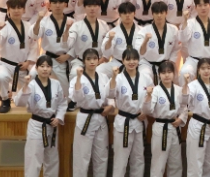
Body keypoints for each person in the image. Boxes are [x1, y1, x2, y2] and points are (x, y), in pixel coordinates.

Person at [14, 54, 67, 177]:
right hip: (37, 126)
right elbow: (19, 103)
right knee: (33, 160)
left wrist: (59, 118)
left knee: (52, 160)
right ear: (36, 68)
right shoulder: (31, 85)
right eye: (42, 66)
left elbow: (62, 103)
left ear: (51, 68)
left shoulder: (56, 84)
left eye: (48, 66)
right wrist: (25, 86)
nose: (45, 69)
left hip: (52, 125)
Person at [106, 48, 152, 177]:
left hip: (140, 121)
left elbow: (152, 96)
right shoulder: (118, 78)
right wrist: (113, 77)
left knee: (138, 159)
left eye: (134, 59)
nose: (132, 62)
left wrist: (146, 112)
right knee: (120, 160)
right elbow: (109, 94)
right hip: (123, 122)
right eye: (128, 59)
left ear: (139, 60)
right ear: (123, 61)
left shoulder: (146, 78)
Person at [69, 48, 114, 177]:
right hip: (85, 118)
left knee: (101, 157)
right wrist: (78, 78)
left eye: (94, 58)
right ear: (84, 61)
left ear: (98, 60)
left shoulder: (103, 77)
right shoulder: (78, 79)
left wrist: (110, 106)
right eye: (88, 59)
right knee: (81, 157)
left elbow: (110, 95)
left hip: (101, 118)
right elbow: (76, 98)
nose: (92, 62)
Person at [0, 0, 38, 113]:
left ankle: (17, 93)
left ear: (24, 10)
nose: (16, 10)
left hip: (23, 66)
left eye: (19, 8)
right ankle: (5, 99)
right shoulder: (4, 27)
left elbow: (33, 46)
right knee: (1, 77)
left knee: (29, 96)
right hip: (6, 64)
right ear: (8, 10)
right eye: (13, 8)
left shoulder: (29, 26)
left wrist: (28, 62)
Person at [142, 60, 188, 177]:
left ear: (174, 74)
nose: (166, 75)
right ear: (159, 75)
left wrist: (181, 119)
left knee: (176, 163)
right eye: (163, 72)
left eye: (169, 72)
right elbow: (148, 110)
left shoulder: (178, 89)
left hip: (175, 127)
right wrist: (148, 96)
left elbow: (184, 107)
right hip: (161, 127)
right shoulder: (155, 90)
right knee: (158, 163)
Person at [183, 58, 210, 177]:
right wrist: (185, 85)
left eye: (209, 68)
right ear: (198, 70)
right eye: (203, 68)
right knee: (195, 162)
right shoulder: (192, 86)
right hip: (198, 125)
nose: (206, 71)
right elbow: (184, 101)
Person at [31, 0, 75, 104]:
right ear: (49, 5)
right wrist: (38, 20)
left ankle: (67, 101)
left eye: (60, 2)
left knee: (67, 96)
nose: (57, 5)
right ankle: (40, 99)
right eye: (54, 3)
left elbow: (78, 44)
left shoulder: (72, 22)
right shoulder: (44, 21)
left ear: (65, 4)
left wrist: (68, 55)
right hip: (47, 57)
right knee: (33, 74)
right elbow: (35, 36)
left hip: (64, 59)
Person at [179, 0, 210, 85]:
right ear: (196, 7)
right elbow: (183, 39)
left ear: (209, 6)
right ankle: (185, 94)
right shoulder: (189, 23)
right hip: (194, 60)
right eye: (200, 5)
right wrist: (185, 20)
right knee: (184, 73)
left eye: (205, 5)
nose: (203, 8)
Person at [136, 2, 181, 85]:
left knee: (175, 81)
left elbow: (176, 48)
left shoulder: (173, 30)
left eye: (161, 12)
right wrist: (145, 40)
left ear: (166, 13)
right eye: (156, 13)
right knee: (143, 77)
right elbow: (140, 52)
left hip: (166, 63)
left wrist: (171, 62)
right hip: (147, 64)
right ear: (152, 14)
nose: (159, 15)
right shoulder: (144, 31)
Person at [100, 2, 138, 79]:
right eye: (124, 13)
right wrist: (110, 40)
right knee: (99, 70)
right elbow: (106, 53)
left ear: (134, 13)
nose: (127, 15)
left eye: (130, 12)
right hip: (117, 62)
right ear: (120, 15)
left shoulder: (142, 31)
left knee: (147, 72)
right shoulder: (113, 32)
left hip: (137, 63)